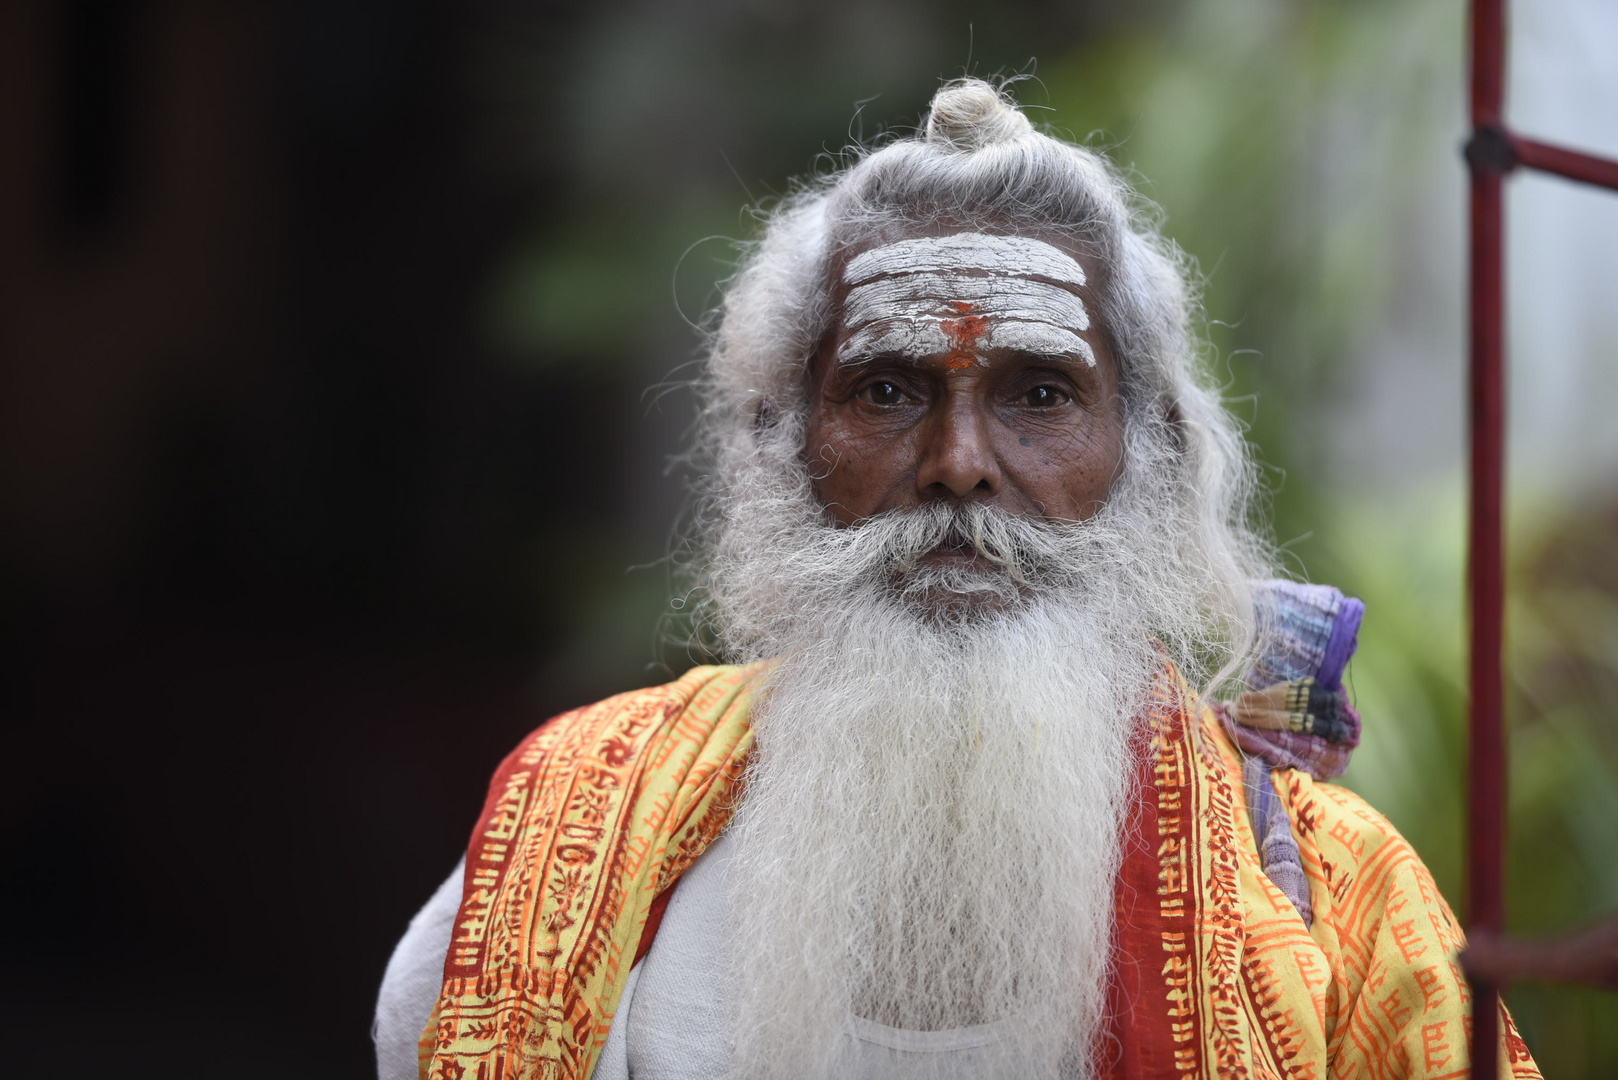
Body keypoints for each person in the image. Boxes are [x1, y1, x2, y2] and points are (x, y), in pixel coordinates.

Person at [373, 79, 1540, 1080]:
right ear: (782, 439)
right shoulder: (572, 814)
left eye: (1039, 394)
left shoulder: (1341, 903)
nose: (959, 467)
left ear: (1149, 453)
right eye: (885, 391)